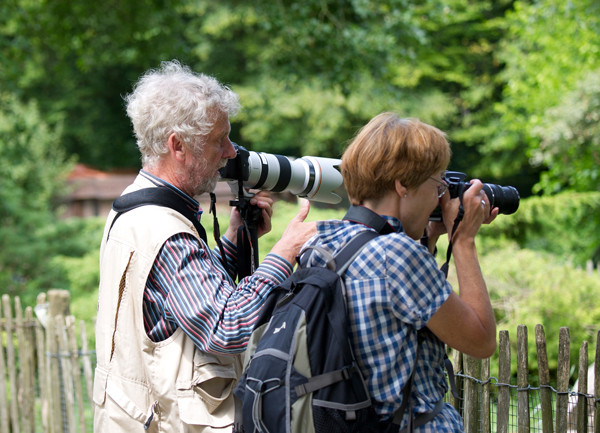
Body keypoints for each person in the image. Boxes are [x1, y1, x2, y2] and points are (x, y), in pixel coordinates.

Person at [93, 60, 316, 432]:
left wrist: (232, 243)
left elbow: (175, 302)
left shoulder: (133, 207)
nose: (231, 152)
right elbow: (226, 328)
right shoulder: (166, 230)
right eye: (219, 140)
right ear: (177, 145)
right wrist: (284, 253)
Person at [301, 112, 498, 432]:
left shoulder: (320, 244)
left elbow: (397, 314)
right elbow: (482, 340)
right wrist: (464, 241)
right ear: (402, 185)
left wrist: (429, 239)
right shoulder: (399, 256)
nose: (440, 197)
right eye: (437, 186)